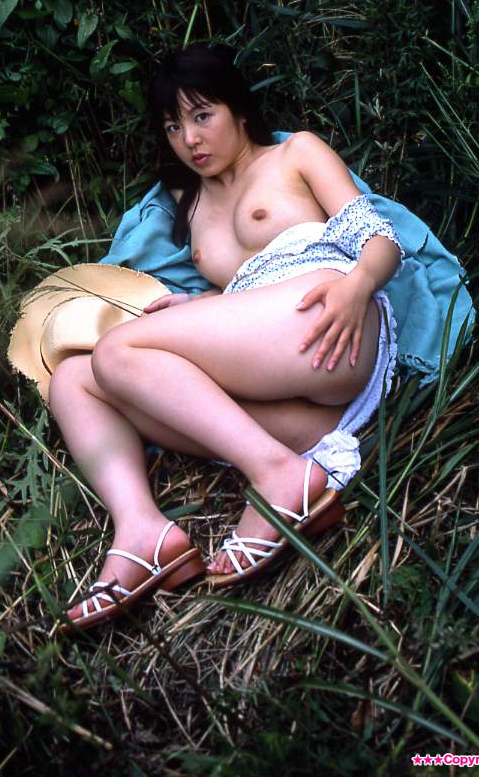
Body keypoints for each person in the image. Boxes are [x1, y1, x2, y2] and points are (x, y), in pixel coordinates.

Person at [47, 45, 402, 630]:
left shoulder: (295, 153)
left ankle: (281, 479)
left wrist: (358, 286)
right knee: (75, 378)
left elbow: (380, 238)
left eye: (202, 115)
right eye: (173, 126)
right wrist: (200, 306)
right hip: (295, 398)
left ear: (238, 109)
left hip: (328, 318)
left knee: (119, 350)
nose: (190, 139)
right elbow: (244, 299)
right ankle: (142, 532)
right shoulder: (189, 205)